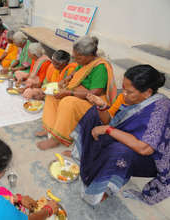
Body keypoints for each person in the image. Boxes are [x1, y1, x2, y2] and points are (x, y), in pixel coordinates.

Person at [68, 65, 170, 206]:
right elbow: (112, 122)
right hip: (130, 139)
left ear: (147, 92)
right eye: (124, 89)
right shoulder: (131, 98)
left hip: (150, 160)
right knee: (94, 113)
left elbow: (145, 149)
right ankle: (85, 155)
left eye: (129, 92)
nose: (124, 94)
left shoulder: (160, 109)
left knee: (119, 151)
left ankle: (103, 188)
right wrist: (102, 106)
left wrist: (108, 130)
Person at [36, 36, 117, 150]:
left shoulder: (100, 67)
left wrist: (69, 92)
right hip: (79, 93)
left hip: (93, 102)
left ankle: (57, 139)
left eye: (78, 58)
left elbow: (95, 93)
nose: (75, 61)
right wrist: (67, 79)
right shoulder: (84, 61)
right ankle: (50, 129)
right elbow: (76, 72)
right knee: (52, 96)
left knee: (68, 102)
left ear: (89, 56)